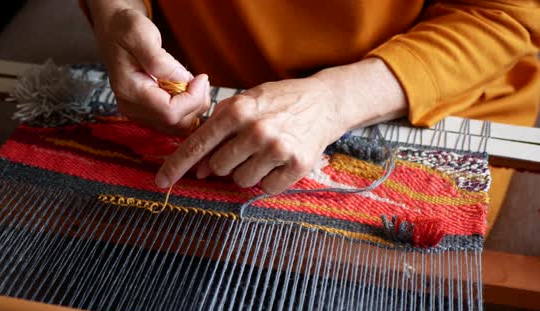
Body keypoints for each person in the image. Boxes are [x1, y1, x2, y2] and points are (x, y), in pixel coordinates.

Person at [82, 0, 540, 227]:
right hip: (202, 80)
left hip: (427, 94)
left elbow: (506, 10)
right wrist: (115, 12)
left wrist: (333, 100)